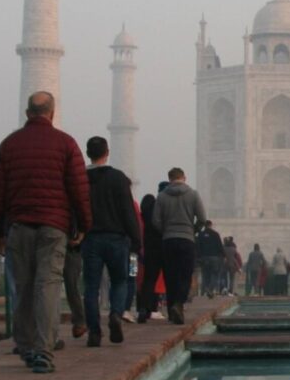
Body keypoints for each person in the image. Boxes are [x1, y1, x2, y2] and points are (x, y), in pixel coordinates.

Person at [0, 92, 92, 373]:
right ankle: (45, 348)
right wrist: (83, 225)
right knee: (48, 286)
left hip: (19, 226)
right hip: (54, 227)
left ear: (27, 112)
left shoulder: (10, 144)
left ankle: (26, 345)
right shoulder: (65, 143)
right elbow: (79, 191)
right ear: (52, 113)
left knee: (23, 285)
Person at [81, 136, 140, 348]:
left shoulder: (80, 178)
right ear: (107, 153)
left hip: (90, 239)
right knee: (120, 281)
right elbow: (128, 211)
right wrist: (136, 239)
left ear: (88, 153)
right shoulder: (118, 178)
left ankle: (94, 333)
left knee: (91, 287)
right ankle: (116, 313)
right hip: (117, 238)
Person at [152, 167, 207, 325]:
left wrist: (166, 231)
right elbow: (202, 218)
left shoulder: (161, 197)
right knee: (185, 274)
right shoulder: (193, 194)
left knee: (170, 275)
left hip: (168, 240)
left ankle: (171, 311)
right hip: (187, 240)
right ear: (184, 177)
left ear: (169, 179)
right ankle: (179, 304)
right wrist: (192, 230)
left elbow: (155, 220)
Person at [136, 191, 164, 321]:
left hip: (136, 255)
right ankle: (153, 308)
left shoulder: (140, 219)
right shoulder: (156, 219)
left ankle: (140, 308)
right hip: (156, 251)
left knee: (139, 281)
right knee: (155, 281)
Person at [196, 221, 225, 297]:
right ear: (211, 225)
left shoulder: (201, 235)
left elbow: (198, 247)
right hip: (214, 258)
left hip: (204, 258)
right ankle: (210, 289)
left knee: (205, 275)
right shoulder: (215, 234)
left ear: (205, 226)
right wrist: (223, 256)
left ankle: (205, 291)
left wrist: (199, 257)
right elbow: (220, 246)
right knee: (214, 274)